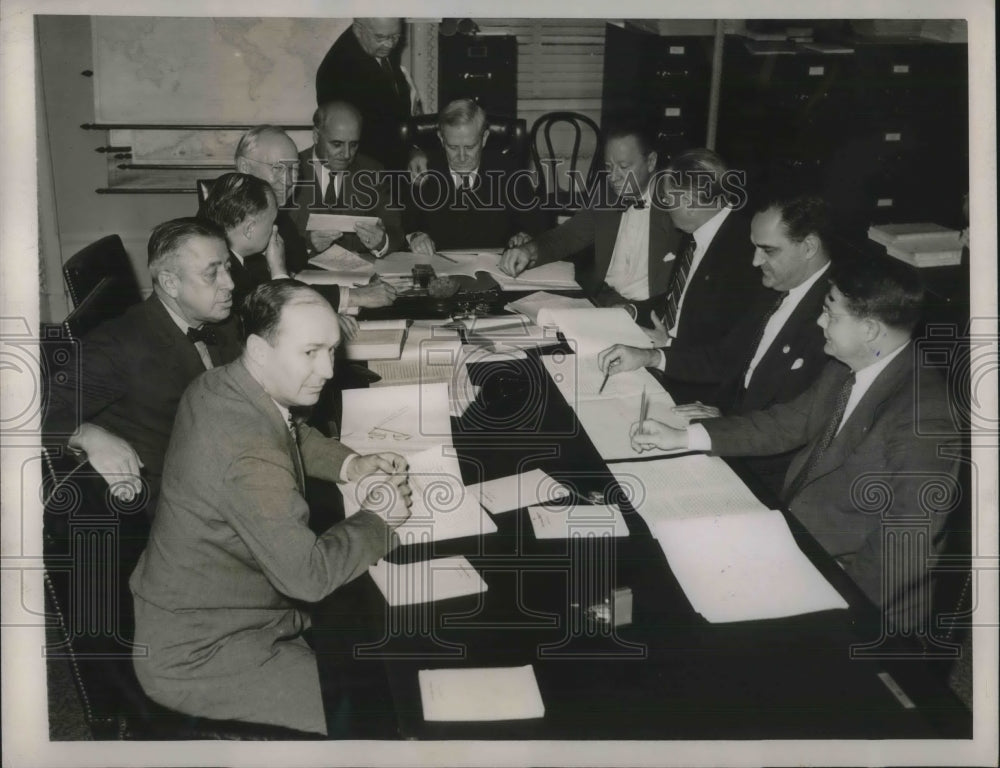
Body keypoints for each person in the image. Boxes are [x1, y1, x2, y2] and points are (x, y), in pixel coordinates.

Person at [130, 280, 413, 736]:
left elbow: (289, 433)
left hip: (215, 609)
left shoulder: (222, 383)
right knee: (379, 716)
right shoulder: (247, 455)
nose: (326, 369)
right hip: (203, 654)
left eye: (332, 349)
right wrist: (380, 519)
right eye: (310, 352)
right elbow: (308, 576)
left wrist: (351, 463)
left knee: (374, 650)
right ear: (261, 350)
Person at [628, 255, 960, 631]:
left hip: (857, 593)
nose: (820, 323)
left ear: (869, 330)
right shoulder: (846, 367)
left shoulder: (924, 417)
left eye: (831, 315)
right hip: (797, 539)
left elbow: (906, 545)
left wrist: (841, 606)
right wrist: (684, 436)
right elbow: (785, 423)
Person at [598, 193, 834, 494]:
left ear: (809, 247)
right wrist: (650, 357)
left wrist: (726, 423)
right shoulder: (774, 287)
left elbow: (796, 424)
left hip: (764, 469)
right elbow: (725, 358)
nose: (755, 260)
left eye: (768, 250)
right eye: (755, 248)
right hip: (729, 429)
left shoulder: (835, 317)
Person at [44, 217, 240, 509]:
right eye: (212, 274)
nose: (230, 283)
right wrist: (87, 435)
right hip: (178, 503)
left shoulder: (220, 320)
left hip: (225, 465)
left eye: (227, 267)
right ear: (170, 283)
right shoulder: (117, 348)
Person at [498, 123, 681, 321]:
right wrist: (528, 250)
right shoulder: (606, 194)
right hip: (602, 301)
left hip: (650, 314)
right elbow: (567, 236)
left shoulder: (676, 207)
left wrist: (634, 311)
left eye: (624, 167)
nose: (613, 177)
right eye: (609, 167)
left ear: (651, 161)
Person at [234, 125, 395, 316]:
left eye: (293, 170)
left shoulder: (276, 215)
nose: (288, 180)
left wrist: (311, 245)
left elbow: (295, 262)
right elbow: (257, 298)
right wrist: (351, 297)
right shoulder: (228, 222)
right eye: (278, 168)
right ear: (245, 168)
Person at [644, 147, 772, 350]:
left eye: (668, 200)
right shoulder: (697, 229)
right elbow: (679, 299)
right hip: (668, 347)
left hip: (693, 366)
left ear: (689, 204)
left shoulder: (745, 253)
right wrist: (631, 310)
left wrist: (666, 347)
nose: (666, 207)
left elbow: (725, 341)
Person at [404, 98, 542, 253]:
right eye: (453, 147)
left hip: (496, 269)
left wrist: (524, 236)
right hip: (438, 269)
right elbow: (404, 225)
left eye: (470, 147)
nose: (462, 157)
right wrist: (415, 236)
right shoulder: (422, 170)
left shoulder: (510, 171)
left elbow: (535, 224)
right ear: (441, 139)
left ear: (484, 138)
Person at [291, 101, 406, 262]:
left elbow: (395, 231)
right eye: (337, 144)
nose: (346, 154)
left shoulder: (372, 171)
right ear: (316, 136)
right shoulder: (289, 170)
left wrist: (382, 242)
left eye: (353, 145)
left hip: (361, 277)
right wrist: (308, 245)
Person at [315, 18, 421, 171]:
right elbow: (351, 144)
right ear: (358, 30)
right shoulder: (338, 70)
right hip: (366, 172)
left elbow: (395, 111)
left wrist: (413, 149)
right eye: (380, 37)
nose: (390, 44)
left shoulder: (375, 44)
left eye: (395, 37)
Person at [200, 172, 289, 309]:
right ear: (249, 229)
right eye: (272, 222)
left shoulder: (246, 262)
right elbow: (280, 319)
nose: (275, 228)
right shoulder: (228, 281)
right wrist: (279, 271)